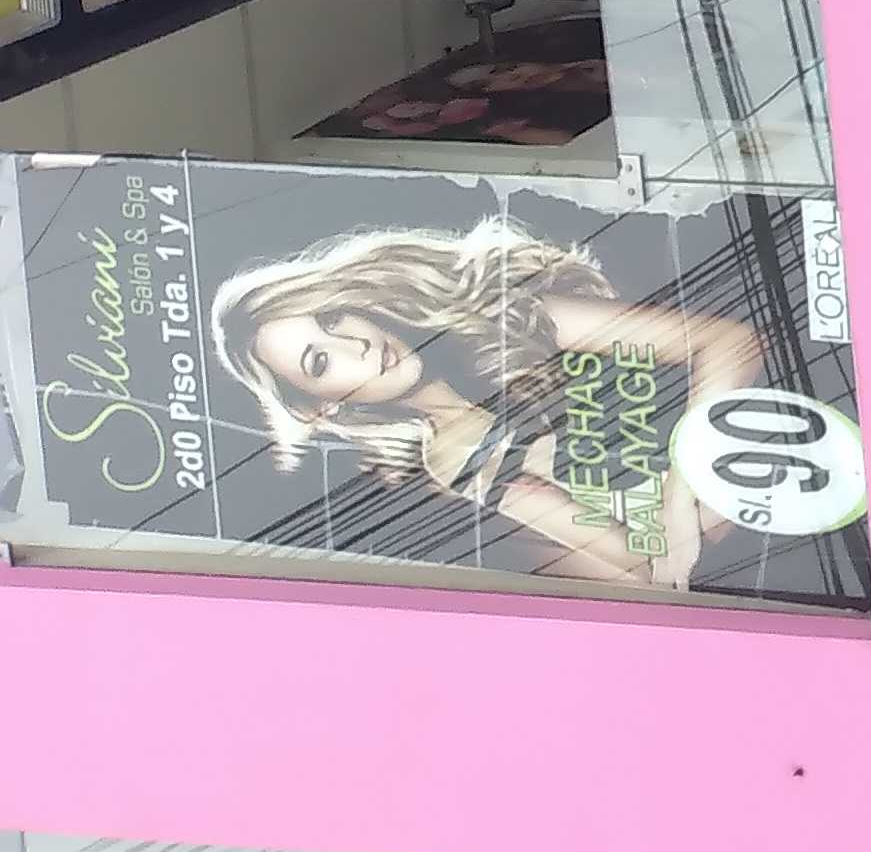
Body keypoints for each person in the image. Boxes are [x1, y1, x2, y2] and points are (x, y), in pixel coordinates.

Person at [210, 220, 775, 587]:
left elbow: (730, 342)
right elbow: (650, 567)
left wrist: (680, 496)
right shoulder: (455, 468)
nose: (354, 345)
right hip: (772, 543)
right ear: (321, 408)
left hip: (791, 410)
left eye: (332, 318)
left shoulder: (504, 317)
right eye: (319, 362)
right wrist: (689, 509)